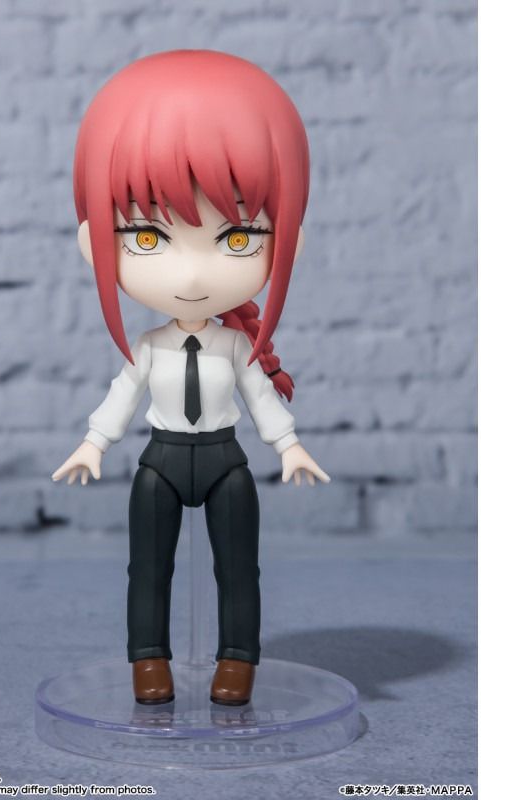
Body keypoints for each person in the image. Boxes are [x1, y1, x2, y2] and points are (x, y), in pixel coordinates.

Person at [52, 50, 330, 707]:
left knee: (240, 571)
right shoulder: (149, 348)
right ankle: (149, 660)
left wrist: (288, 446)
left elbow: (260, 397)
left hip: (227, 462)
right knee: (148, 570)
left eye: (237, 239)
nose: (193, 276)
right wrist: (94, 443)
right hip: (162, 462)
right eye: (148, 238)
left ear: (288, 240)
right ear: (95, 243)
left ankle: (238, 661)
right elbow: (122, 395)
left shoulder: (236, 346)